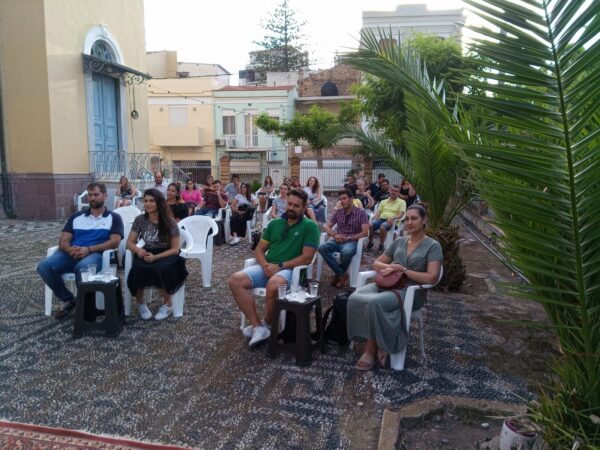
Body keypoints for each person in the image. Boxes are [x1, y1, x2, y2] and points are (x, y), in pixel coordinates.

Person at [347, 204, 443, 370]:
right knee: (354, 298)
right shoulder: (399, 242)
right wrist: (391, 267)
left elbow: (431, 277)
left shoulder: (433, 246)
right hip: (388, 283)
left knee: (375, 303)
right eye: (407, 219)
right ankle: (380, 340)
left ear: (424, 220)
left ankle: (371, 348)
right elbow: (377, 264)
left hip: (411, 291)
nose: (409, 222)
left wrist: (404, 270)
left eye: (414, 218)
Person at [228, 189, 320, 347]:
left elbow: (307, 257)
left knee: (273, 284)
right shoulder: (275, 223)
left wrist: (280, 266)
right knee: (235, 280)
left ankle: (267, 324)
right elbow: (259, 249)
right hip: (268, 266)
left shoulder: (309, 226)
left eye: (296, 205)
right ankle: (258, 326)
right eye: (289, 204)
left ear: (304, 207)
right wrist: (265, 266)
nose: (291, 208)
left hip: (291, 270)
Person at [37, 182, 124, 319]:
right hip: (72, 253)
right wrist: (69, 249)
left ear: (105, 196)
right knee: (44, 267)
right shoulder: (76, 217)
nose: (92, 198)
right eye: (90, 195)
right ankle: (69, 299)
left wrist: (88, 249)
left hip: (96, 254)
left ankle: (84, 307)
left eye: (96, 195)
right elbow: (63, 240)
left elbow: (114, 242)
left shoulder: (114, 217)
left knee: (83, 267)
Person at [126, 189, 189, 321]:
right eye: (146, 201)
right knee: (138, 268)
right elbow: (130, 242)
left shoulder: (170, 222)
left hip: (166, 254)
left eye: (151, 201)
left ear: (159, 203)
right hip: (146, 251)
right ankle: (141, 303)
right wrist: (138, 250)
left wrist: (156, 257)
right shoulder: (140, 220)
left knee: (159, 269)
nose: (147, 204)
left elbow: (175, 249)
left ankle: (168, 303)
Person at [319, 189, 369, 287]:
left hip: (352, 241)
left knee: (346, 251)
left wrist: (349, 238)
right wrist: (335, 235)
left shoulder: (361, 213)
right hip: (338, 240)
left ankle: (338, 275)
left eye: (344, 198)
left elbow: (365, 233)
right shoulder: (339, 212)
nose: (342, 201)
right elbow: (327, 226)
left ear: (351, 199)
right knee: (322, 248)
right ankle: (342, 274)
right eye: (340, 199)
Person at [367, 185, 406, 251]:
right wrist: (375, 219)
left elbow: (401, 215)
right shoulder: (383, 201)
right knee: (370, 224)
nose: (394, 192)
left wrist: (393, 218)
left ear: (398, 193)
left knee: (383, 226)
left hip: (393, 222)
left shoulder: (402, 202)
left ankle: (381, 244)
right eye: (392, 190)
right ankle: (371, 241)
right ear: (390, 191)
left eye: (396, 191)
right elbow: (378, 213)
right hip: (381, 220)